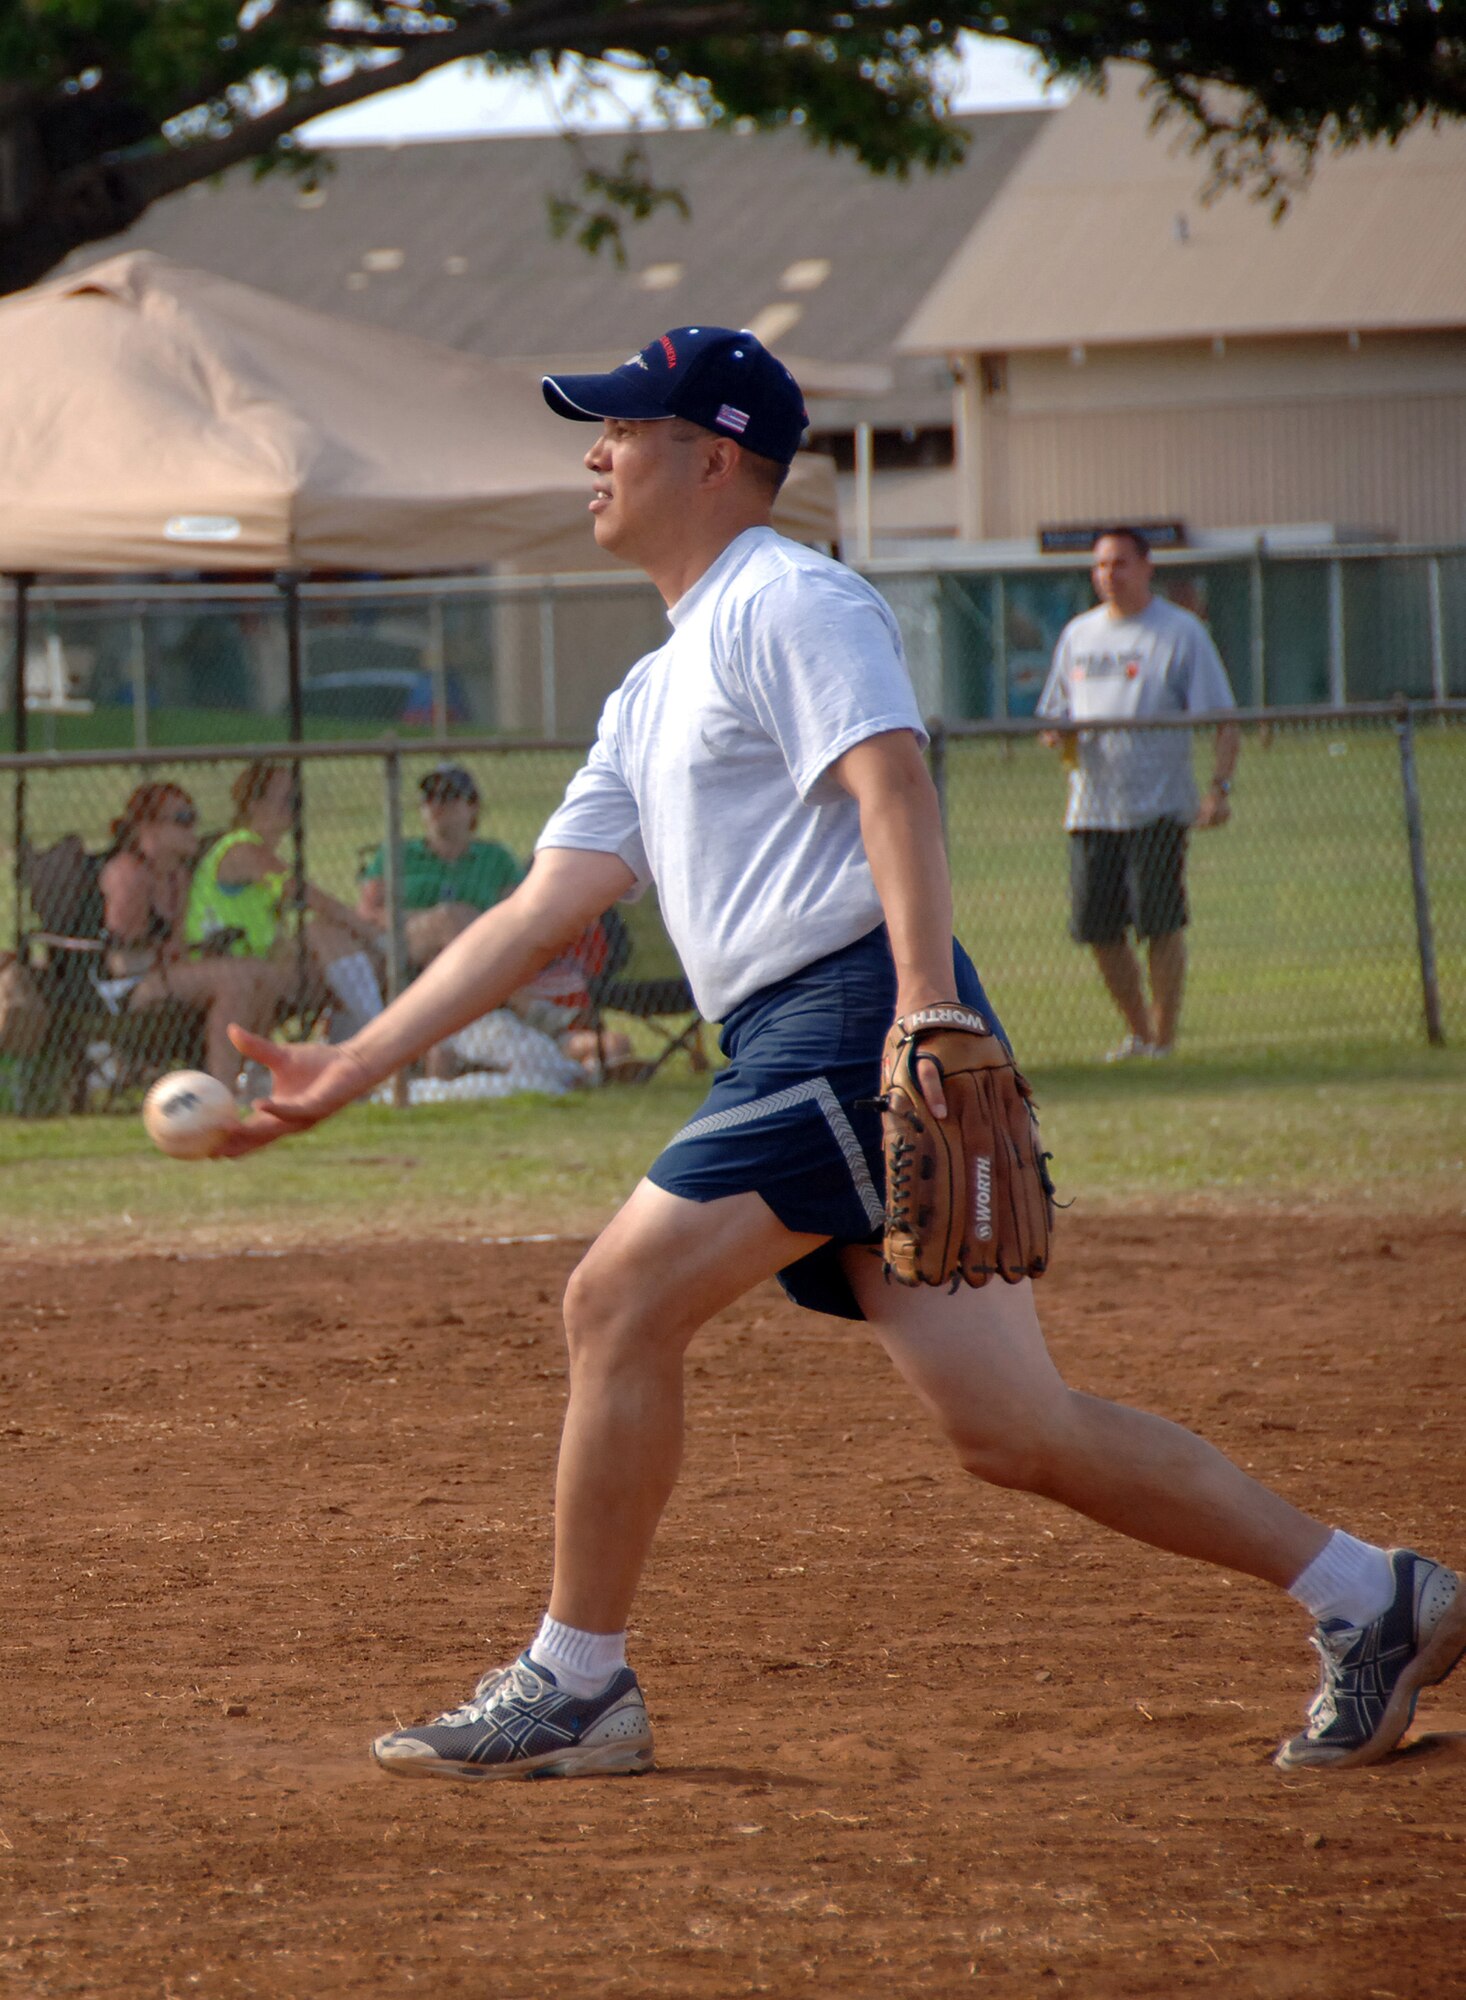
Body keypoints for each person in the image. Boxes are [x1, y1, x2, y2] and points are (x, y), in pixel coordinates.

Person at [223, 326, 1463, 1782]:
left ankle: (577, 1685)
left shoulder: (789, 600)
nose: (595, 452)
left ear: (716, 455)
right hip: (803, 1033)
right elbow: (541, 907)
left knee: (614, 1303)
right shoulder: (654, 682)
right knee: (1014, 1430)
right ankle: (1369, 1595)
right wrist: (347, 1066)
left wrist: (923, 1004)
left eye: (624, 426)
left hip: (851, 1011)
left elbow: (894, 786)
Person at [1037, 529, 1240, 1060]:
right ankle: (1139, 1034)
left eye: (1120, 563)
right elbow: (1053, 713)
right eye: (1101, 565)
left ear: (1147, 567)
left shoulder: (1179, 632)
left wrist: (1219, 789)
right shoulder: (1079, 635)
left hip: (1157, 804)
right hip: (1091, 807)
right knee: (1099, 930)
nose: (1109, 574)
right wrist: (1057, 732)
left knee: (1160, 923)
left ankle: (1164, 1040)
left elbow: (1224, 719)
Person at [359, 761, 629, 1077]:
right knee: (451, 918)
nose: (437, 806)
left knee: (613, 1045)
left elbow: (520, 915)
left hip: (470, 974)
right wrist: (433, 919)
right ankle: (528, 1008)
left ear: (472, 808)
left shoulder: (495, 858)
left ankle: (592, 1063)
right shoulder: (397, 853)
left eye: (449, 797)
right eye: (430, 798)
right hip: (406, 948)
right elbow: (368, 914)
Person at [185, 761, 386, 1038]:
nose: (294, 807)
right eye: (287, 799)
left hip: (259, 958)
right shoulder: (242, 849)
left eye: (297, 799)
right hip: (226, 960)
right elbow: (307, 896)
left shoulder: (259, 849)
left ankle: (354, 1055)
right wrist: (368, 930)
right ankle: (382, 1036)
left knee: (348, 961)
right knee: (320, 933)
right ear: (255, 805)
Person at [98, 781, 278, 1088]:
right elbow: (121, 959)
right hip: (126, 986)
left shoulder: (177, 875)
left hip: (166, 974)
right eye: (182, 819)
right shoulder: (128, 874)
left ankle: (252, 1074)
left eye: (193, 817)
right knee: (233, 980)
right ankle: (221, 1087)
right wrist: (168, 956)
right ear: (149, 827)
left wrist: (191, 953)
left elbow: (178, 942)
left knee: (258, 971)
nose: (192, 827)